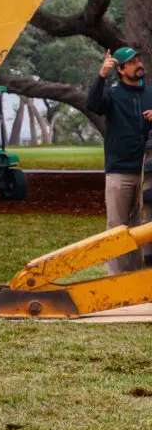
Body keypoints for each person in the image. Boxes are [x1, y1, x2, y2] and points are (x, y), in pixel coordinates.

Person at [86, 47, 152, 273]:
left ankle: (137, 278)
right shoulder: (112, 94)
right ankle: (116, 277)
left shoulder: (150, 94)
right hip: (120, 173)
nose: (138, 64)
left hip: (147, 174)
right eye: (132, 62)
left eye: (138, 60)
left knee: (143, 228)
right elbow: (93, 104)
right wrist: (101, 74)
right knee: (117, 227)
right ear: (121, 70)